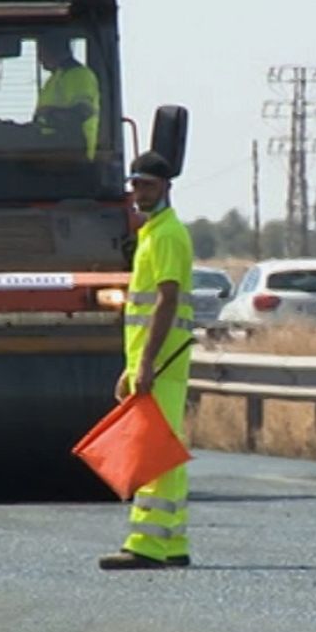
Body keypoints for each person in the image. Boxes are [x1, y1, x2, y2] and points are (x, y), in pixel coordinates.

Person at [100, 151, 195, 570]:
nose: (140, 193)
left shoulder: (167, 235)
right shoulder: (152, 232)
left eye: (148, 186)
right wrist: (134, 362)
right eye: (135, 185)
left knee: (152, 452)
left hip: (163, 361)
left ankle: (146, 543)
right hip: (155, 360)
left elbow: (166, 299)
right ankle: (171, 542)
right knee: (165, 450)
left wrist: (146, 363)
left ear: (166, 187)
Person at [33, 34, 101, 159]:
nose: (39, 59)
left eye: (40, 52)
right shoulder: (55, 78)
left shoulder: (77, 74)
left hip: (74, 154)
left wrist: (50, 113)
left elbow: (83, 111)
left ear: (53, 49)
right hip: (53, 152)